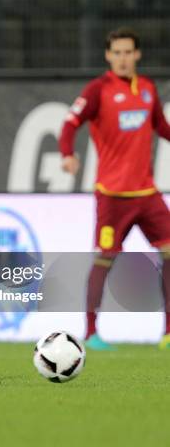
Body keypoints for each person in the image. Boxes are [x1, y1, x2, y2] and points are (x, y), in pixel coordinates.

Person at [59, 27, 170, 350]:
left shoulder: (147, 89)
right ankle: (91, 333)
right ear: (108, 56)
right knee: (104, 259)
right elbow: (69, 123)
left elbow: (161, 127)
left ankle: (168, 332)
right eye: (116, 53)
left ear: (137, 54)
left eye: (128, 52)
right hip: (112, 195)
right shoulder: (98, 90)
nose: (122, 58)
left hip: (147, 195)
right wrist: (67, 154)